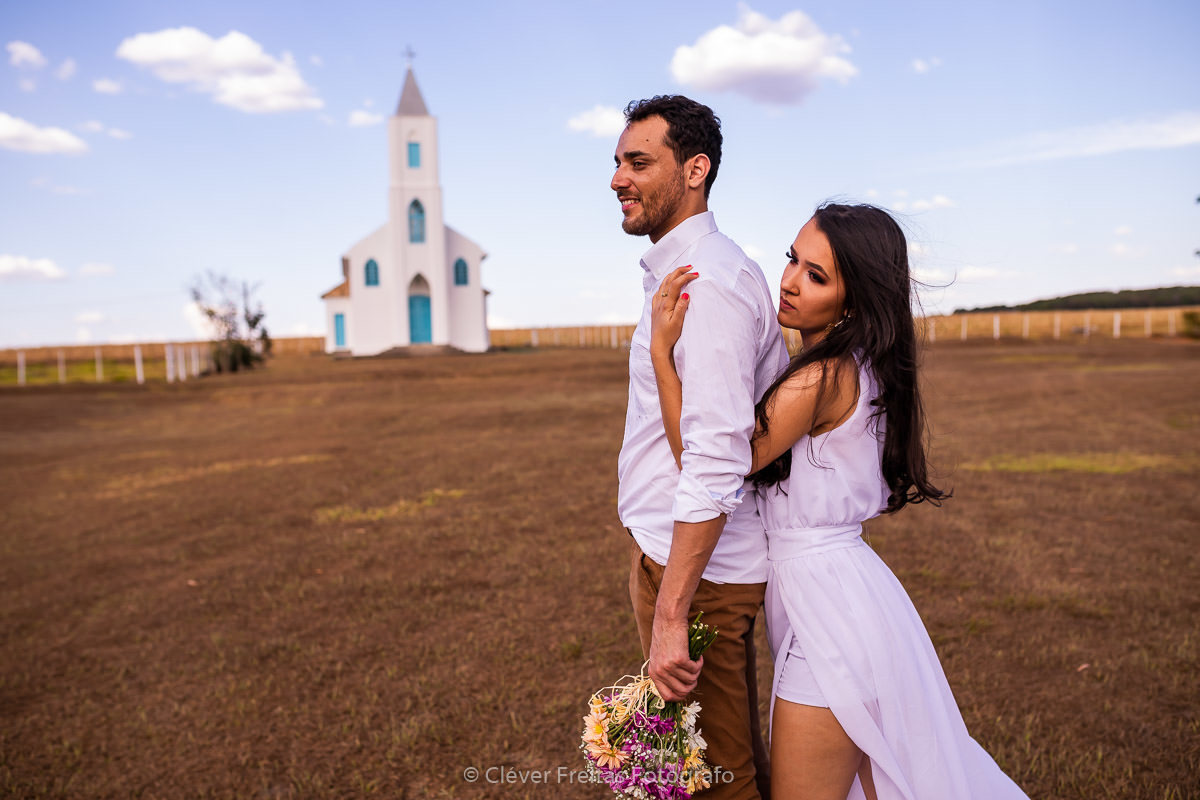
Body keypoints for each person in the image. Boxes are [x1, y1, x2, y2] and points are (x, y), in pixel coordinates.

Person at [650, 203, 1030, 799]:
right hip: (848, 596)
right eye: (792, 259)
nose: (791, 281)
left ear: (853, 301)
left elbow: (709, 461)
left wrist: (663, 360)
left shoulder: (819, 378)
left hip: (831, 620)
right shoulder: (857, 368)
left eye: (817, 276)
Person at [613, 95, 788, 800]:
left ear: (695, 170)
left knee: (722, 777)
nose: (618, 178)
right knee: (686, 764)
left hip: (705, 577)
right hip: (669, 555)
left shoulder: (708, 283)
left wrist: (671, 613)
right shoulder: (677, 274)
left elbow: (716, 463)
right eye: (617, 162)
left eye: (637, 162)